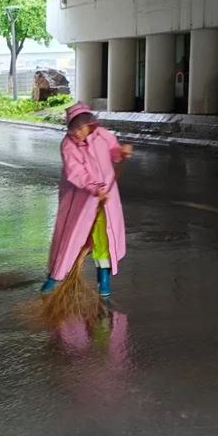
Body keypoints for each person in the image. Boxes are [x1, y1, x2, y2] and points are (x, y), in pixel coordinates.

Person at [42, 102, 131, 298]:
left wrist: (121, 153)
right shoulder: (68, 145)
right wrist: (93, 188)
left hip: (106, 200)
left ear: (89, 125)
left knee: (103, 236)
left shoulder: (103, 136)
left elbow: (113, 152)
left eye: (80, 129)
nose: (77, 134)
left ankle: (104, 279)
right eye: (73, 130)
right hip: (79, 200)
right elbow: (76, 173)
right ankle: (55, 278)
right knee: (71, 237)